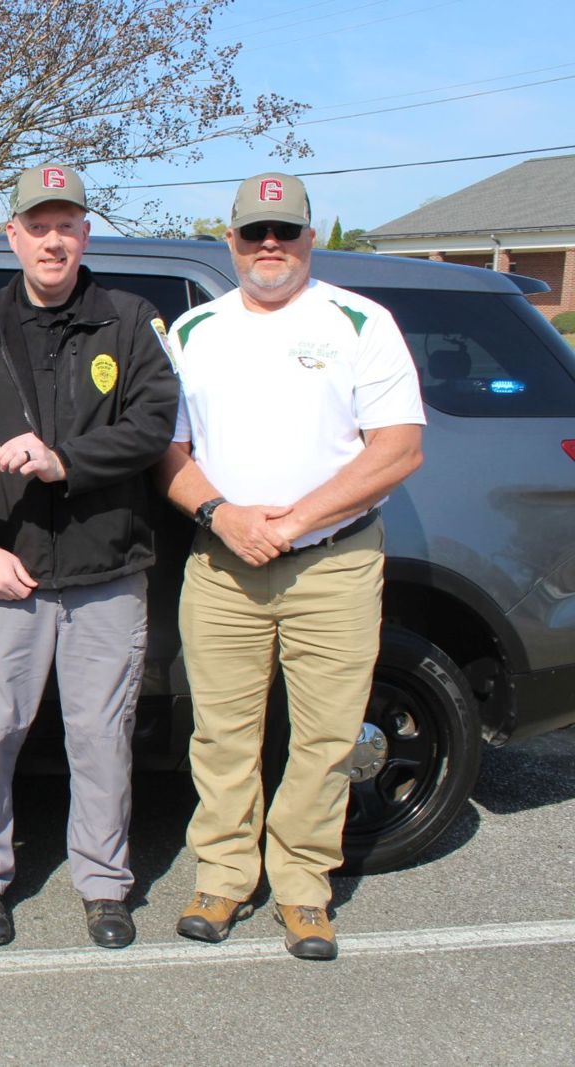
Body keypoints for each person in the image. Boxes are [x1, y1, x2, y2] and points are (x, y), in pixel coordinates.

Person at [157, 173, 424, 961]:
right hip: (222, 561)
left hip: (331, 564)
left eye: (285, 231)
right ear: (231, 241)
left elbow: (399, 446)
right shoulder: (195, 331)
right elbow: (167, 448)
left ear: (312, 238)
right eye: (252, 232)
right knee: (222, 731)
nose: (268, 245)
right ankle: (224, 872)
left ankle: (305, 885)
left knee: (328, 735)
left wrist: (295, 521)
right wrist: (223, 516)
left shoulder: (360, 322)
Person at [0, 163, 178, 950]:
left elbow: (152, 425)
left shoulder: (130, 322)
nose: (52, 238)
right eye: (37, 224)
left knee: (101, 734)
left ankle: (104, 884)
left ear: (85, 234)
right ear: (13, 235)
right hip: (9, 573)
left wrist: (65, 458)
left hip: (106, 569)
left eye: (66, 223)